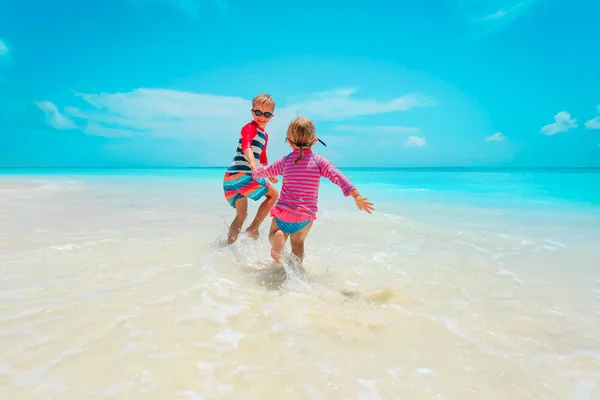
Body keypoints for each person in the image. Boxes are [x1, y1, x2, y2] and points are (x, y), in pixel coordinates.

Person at [252, 117, 374, 264]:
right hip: (304, 217)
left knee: (274, 234)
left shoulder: (285, 161)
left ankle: (278, 238)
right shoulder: (319, 162)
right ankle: (296, 275)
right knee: (298, 244)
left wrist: (254, 172)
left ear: (289, 142)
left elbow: (267, 171)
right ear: (314, 141)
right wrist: (356, 195)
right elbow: (338, 176)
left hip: (284, 213)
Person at [223, 93, 279, 245]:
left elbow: (263, 156)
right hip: (243, 174)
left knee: (241, 215)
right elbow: (247, 145)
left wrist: (267, 172)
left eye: (266, 114)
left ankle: (229, 247)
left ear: (271, 116)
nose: (262, 116)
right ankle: (253, 229)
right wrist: (253, 164)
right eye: (258, 112)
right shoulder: (249, 127)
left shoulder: (264, 136)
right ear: (252, 112)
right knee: (273, 195)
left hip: (231, 177)